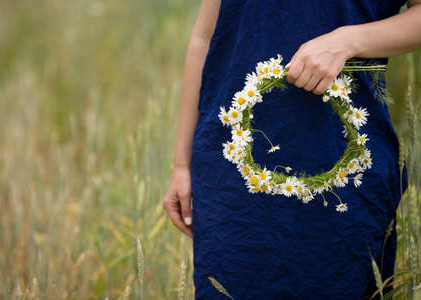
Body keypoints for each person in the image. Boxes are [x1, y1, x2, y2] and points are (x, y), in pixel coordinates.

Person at [162, 0, 421, 298]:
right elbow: (204, 37)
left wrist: (348, 41)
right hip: (230, 182)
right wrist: (181, 164)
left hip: (345, 184)